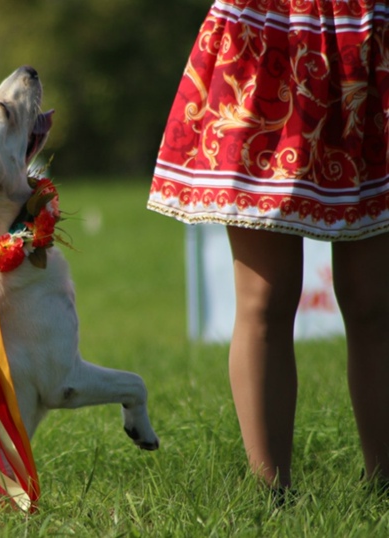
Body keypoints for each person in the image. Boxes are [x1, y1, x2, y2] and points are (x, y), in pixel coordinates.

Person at [148, 0, 389, 494]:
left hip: (370, 36)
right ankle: (271, 495)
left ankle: (384, 486)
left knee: (375, 303)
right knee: (266, 297)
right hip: (267, 37)